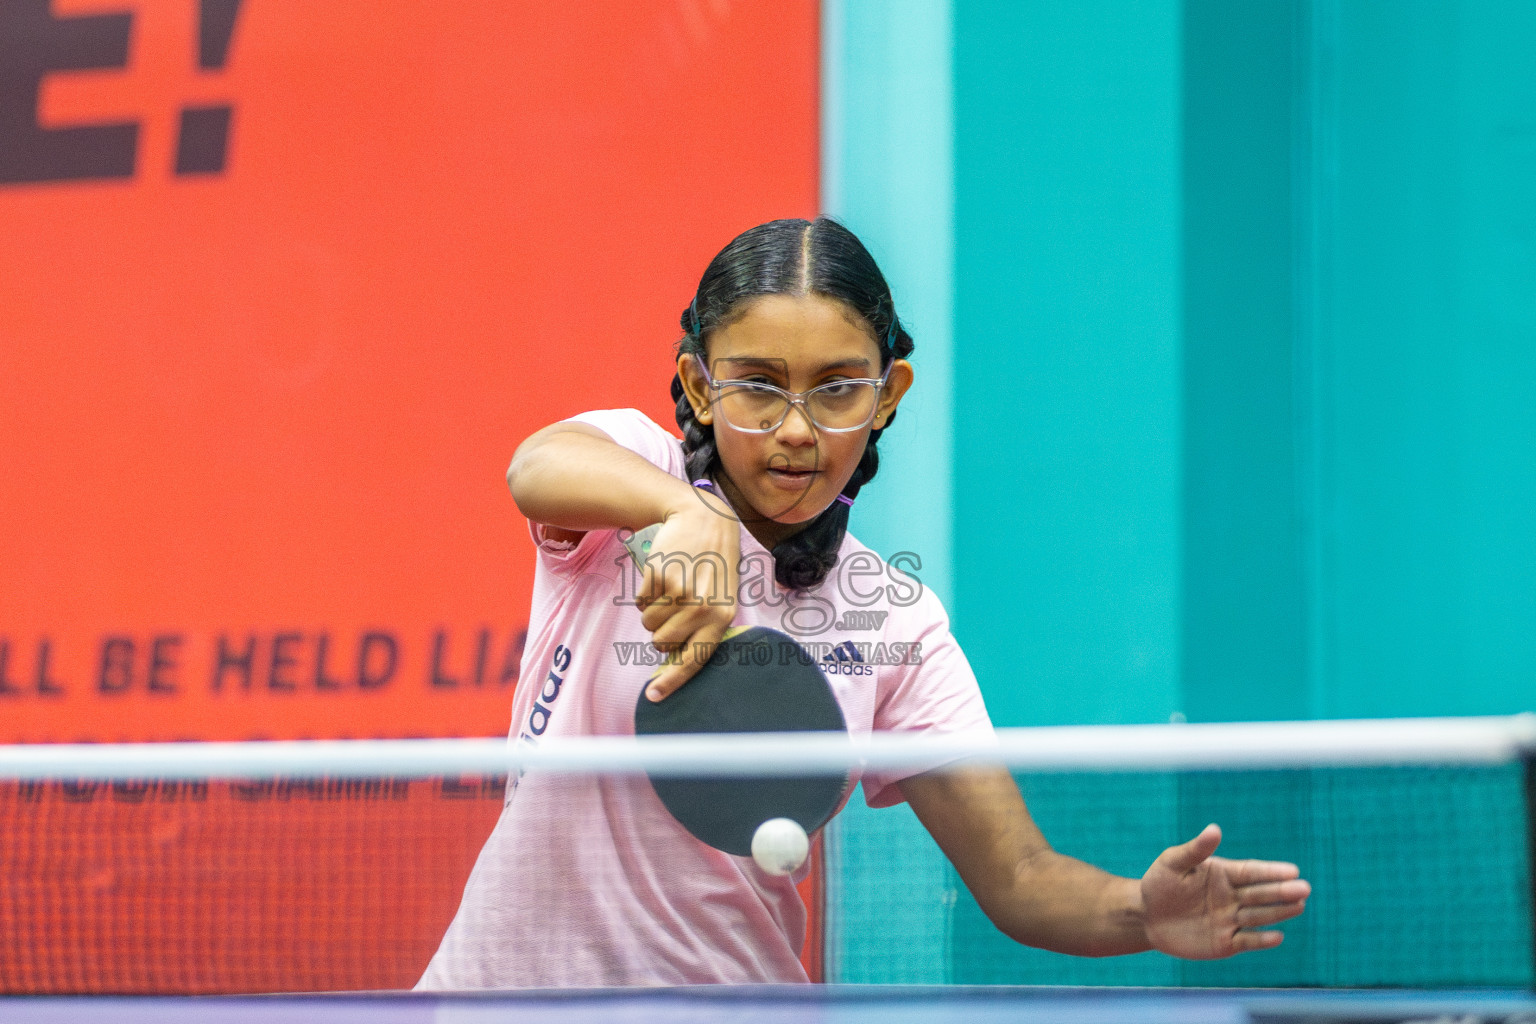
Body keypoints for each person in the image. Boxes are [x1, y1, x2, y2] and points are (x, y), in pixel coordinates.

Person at [417, 217, 1310, 989]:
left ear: (888, 395)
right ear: (697, 385)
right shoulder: (633, 479)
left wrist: (1140, 911)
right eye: (757, 385)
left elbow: (1020, 876)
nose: (796, 429)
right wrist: (684, 512)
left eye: (838, 387)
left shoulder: (894, 621)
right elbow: (536, 465)